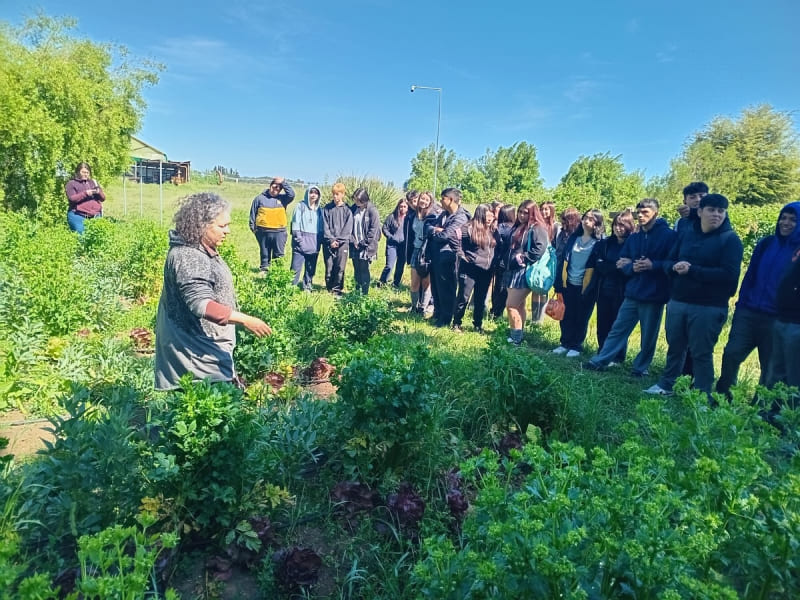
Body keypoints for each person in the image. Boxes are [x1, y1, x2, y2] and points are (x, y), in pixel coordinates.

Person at [155, 192, 272, 391]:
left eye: (228, 225)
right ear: (202, 225)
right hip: (195, 352)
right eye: (222, 226)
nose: (227, 231)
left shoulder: (199, 249)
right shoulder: (189, 256)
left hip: (203, 347)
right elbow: (201, 304)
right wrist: (246, 320)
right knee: (204, 407)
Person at [645, 194, 743, 396]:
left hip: (709, 307)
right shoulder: (687, 234)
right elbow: (667, 262)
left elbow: (729, 277)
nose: (716, 214)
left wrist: (693, 270)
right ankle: (667, 384)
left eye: (720, 211)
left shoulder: (730, 240)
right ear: (700, 212)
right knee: (675, 347)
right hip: (679, 301)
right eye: (711, 210)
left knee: (701, 353)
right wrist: (674, 267)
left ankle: (702, 393)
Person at [583, 199, 676, 376]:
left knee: (648, 335)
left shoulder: (668, 236)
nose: (641, 216)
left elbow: (672, 263)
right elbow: (622, 262)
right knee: (618, 328)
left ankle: (640, 368)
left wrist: (653, 265)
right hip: (633, 291)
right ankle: (600, 360)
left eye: (645, 212)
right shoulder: (634, 238)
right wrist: (631, 267)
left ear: (655, 213)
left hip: (654, 293)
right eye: (638, 212)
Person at [716, 202, 800, 395]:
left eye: (793, 219)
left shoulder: (798, 252)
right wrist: (741, 303)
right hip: (748, 311)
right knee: (731, 353)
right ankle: (723, 395)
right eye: (783, 218)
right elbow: (750, 275)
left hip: (776, 318)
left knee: (769, 367)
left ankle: (762, 405)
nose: (785, 223)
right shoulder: (767, 244)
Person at [553, 209, 604, 357]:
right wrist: (558, 283)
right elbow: (563, 260)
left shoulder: (600, 243)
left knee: (581, 317)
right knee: (566, 314)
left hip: (586, 287)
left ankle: (576, 346)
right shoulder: (573, 238)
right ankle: (565, 343)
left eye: (591, 219)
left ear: (597, 224)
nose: (586, 220)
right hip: (568, 283)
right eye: (585, 217)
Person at [592, 209, 636, 363]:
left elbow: (629, 270)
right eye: (617, 225)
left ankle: (617, 357)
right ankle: (602, 352)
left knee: (618, 325)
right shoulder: (606, 243)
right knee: (602, 323)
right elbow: (599, 265)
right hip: (603, 288)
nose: (619, 228)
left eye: (623, 225)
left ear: (630, 226)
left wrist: (612, 267)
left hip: (622, 291)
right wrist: (615, 266)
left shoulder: (633, 244)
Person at [504, 200, 549, 345]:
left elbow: (540, 248)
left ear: (532, 213)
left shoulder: (537, 228)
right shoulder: (519, 226)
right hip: (513, 270)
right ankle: (518, 334)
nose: (522, 215)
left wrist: (525, 257)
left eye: (526, 212)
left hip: (525, 272)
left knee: (511, 305)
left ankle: (515, 337)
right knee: (519, 305)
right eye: (520, 211)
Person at [426, 188, 469, 328]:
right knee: (437, 287)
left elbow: (445, 236)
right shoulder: (443, 214)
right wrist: (436, 230)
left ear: (450, 200)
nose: (440, 201)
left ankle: (445, 319)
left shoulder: (461, 217)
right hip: (436, 255)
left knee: (447, 288)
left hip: (449, 257)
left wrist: (439, 231)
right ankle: (438, 313)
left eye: (443, 198)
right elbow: (429, 228)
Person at [453, 204, 499, 333]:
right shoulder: (468, 227)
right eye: (487, 215)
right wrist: (462, 255)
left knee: (480, 298)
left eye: (492, 215)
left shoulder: (493, 230)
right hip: (469, 269)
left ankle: (477, 324)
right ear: (480, 214)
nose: (490, 218)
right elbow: (454, 239)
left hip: (486, 270)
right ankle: (456, 323)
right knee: (463, 297)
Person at [766, 249, 800, 394]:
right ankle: (771, 412)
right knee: (777, 372)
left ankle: (792, 414)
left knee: (794, 376)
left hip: (796, 324)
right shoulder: (796, 251)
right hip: (782, 319)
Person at [249, 177, 295, 271]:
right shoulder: (259, 198)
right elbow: (253, 214)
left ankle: (277, 272)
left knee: (278, 253)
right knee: (265, 252)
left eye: (279, 188)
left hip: (279, 232)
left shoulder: (283, 199)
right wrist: (253, 228)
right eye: (274, 186)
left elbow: (292, 194)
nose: (276, 189)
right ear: (270, 186)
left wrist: (283, 182)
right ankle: (264, 270)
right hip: (262, 232)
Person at [289, 185, 323, 292]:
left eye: (316, 193)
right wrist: (299, 240)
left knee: (310, 268)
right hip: (300, 245)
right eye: (311, 192)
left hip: (314, 245)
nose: (313, 195)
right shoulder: (300, 206)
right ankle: (291, 287)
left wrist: (319, 242)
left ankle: (307, 285)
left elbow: (321, 227)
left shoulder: (319, 210)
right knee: (295, 268)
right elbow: (295, 225)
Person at [322, 182, 354, 296]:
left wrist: (339, 241)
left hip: (343, 244)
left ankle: (337, 289)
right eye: (334, 194)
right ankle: (329, 288)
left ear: (343, 195)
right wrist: (331, 240)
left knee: (340, 267)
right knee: (329, 266)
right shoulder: (327, 208)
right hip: (328, 243)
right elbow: (325, 226)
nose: (335, 197)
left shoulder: (347, 210)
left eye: (338, 194)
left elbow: (348, 228)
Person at [408, 191, 437, 314]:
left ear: (430, 202)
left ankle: (423, 307)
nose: (423, 201)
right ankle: (414, 306)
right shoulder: (412, 215)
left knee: (426, 283)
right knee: (414, 283)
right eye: (422, 199)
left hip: (427, 252)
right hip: (415, 250)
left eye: (426, 200)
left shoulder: (432, 217)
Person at [350, 188, 381, 294]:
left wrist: (363, 243)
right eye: (355, 199)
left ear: (364, 199)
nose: (356, 202)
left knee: (364, 269)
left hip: (366, 246)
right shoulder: (353, 208)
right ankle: (357, 291)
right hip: (354, 244)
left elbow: (374, 229)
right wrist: (353, 240)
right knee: (356, 269)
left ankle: (364, 292)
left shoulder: (372, 210)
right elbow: (349, 226)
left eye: (358, 200)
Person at [490, 204, 516, 319]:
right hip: (508, 262)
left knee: (497, 287)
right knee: (504, 289)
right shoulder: (514, 228)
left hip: (496, 260)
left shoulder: (498, 227)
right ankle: (498, 312)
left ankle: (494, 311)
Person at [65, 162, 105, 233]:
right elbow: (72, 198)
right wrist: (86, 193)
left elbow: (103, 198)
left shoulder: (93, 182)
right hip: (78, 215)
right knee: (81, 237)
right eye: (83, 172)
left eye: (87, 172)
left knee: (96, 237)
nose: (85, 174)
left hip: (95, 215)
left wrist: (98, 192)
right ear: (77, 172)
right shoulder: (71, 183)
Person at [379, 197, 409, 288]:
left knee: (400, 266)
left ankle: (396, 283)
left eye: (404, 206)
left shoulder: (409, 218)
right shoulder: (392, 217)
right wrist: (391, 237)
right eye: (401, 206)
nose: (402, 208)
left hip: (403, 246)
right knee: (389, 265)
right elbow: (384, 228)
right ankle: (382, 282)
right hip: (392, 245)